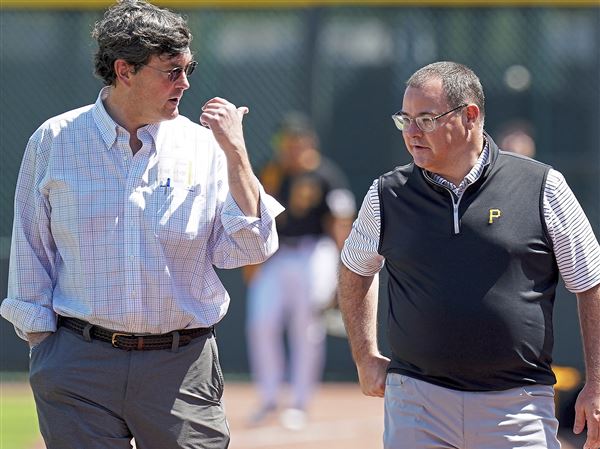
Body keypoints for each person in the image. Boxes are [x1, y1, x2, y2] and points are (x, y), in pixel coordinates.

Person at [0, 1, 284, 448]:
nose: (185, 83)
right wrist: (48, 354)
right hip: (78, 368)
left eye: (188, 68)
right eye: (171, 71)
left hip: (181, 368)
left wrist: (236, 152)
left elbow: (252, 248)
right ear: (124, 70)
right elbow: (31, 249)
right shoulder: (54, 139)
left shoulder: (204, 146)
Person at [338, 61, 600, 449]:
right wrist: (365, 356)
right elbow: (355, 270)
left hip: (518, 405)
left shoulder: (542, 185)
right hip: (417, 403)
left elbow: (591, 282)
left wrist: (596, 384)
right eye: (404, 119)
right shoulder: (387, 193)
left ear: (470, 116)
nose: (411, 133)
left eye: (425, 119)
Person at [245, 112, 356, 429]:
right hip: (276, 254)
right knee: (261, 322)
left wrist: (342, 269)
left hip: (313, 252)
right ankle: (268, 398)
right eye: (285, 140)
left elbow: (339, 221)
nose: (290, 147)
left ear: (309, 141)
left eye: (296, 140)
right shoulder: (270, 169)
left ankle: (299, 401)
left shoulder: (326, 174)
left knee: (306, 326)